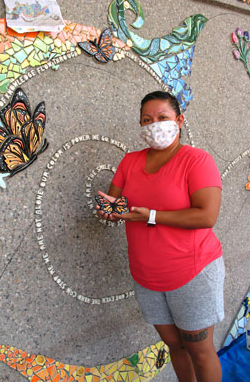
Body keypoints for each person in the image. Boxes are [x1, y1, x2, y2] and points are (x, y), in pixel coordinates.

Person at [96, 91, 224, 382]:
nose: (154, 125)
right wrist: (108, 210)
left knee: (200, 350)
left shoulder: (196, 160)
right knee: (175, 346)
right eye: (146, 120)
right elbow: (115, 203)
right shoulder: (130, 162)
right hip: (147, 277)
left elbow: (206, 216)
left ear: (179, 121)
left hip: (192, 272)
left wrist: (152, 216)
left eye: (162, 118)